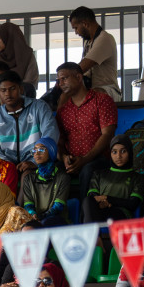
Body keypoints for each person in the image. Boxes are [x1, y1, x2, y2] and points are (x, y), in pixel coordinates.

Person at [53, 62, 116, 193]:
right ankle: (57, 212)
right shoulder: (63, 110)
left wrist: (85, 159)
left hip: (98, 158)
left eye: (64, 78)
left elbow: (107, 134)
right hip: (72, 161)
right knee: (54, 171)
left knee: (88, 170)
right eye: (59, 80)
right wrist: (64, 158)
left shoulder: (102, 100)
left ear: (78, 77)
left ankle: (85, 211)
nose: (61, 84)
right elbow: (60, 141)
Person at [0, 72, 59, 165]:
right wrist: (6, 164)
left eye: (12, 89)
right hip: (5, 165)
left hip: (36, 162)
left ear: (21, 89)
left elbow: (50, 134)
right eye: (3, 90)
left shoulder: (39, 107)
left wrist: (34, 162)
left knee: (28, 177)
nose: (8, 94)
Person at [84, 136, 144, 224]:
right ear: (110, 154)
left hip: (121, 214)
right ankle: (96, 237)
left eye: (123, 151)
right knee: (87, 201)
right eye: (114, 152)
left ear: (130, 152)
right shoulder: (98, 174)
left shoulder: (137, 178)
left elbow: (132, 204)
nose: (118, 156)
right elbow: (93, 197)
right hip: (99, 210)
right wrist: (103, 203)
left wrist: (108, 199)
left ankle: (93, 236)